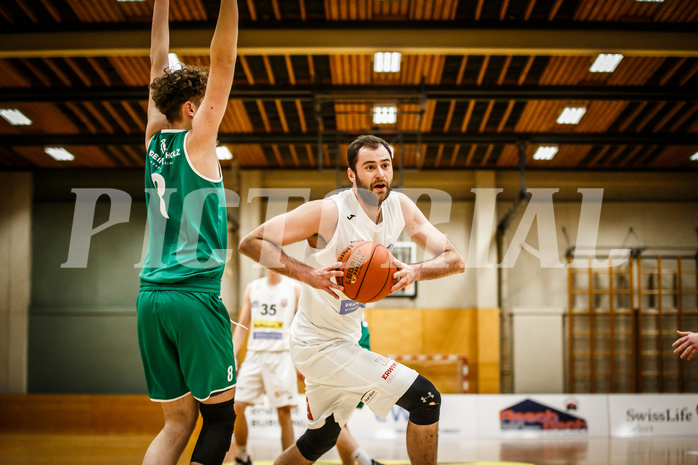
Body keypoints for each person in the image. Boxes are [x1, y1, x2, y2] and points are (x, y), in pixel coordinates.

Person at [238, 134, 465, 465]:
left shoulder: (400, 208)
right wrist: (308, 275)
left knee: (322, 438)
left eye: (385, 166)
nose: (380, 174)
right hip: (316, 344)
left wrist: (415, 271)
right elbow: (251, 241)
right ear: (351, 174)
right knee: (426, 398)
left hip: (348, 338)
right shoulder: (327, 213)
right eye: (370, 167)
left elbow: (455, 259)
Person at [137, 1, 239, 464]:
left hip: (149, 298)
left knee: (176, 422)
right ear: (194, 107)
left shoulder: (153, 138)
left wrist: (161, 3)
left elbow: (158, 58)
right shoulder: (199, 141)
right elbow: (224, 59)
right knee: (219, 419)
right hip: (193, 296)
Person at [232, 269, 302, 465]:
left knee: (284, 413)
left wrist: (301, 360)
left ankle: (288, 462)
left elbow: (303, 327)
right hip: (254, 355)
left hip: (281, 356)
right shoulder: (253, 288)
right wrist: (232, 354)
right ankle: (243, 456)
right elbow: (243, 325)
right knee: (236, 406)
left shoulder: (294, 288)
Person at [335, 316, 383, 465]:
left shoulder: (338, 303)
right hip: (360, 361)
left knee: (329, 421)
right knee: (340, 421)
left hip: (348, 361)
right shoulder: (356, 304)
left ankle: (366, 461)